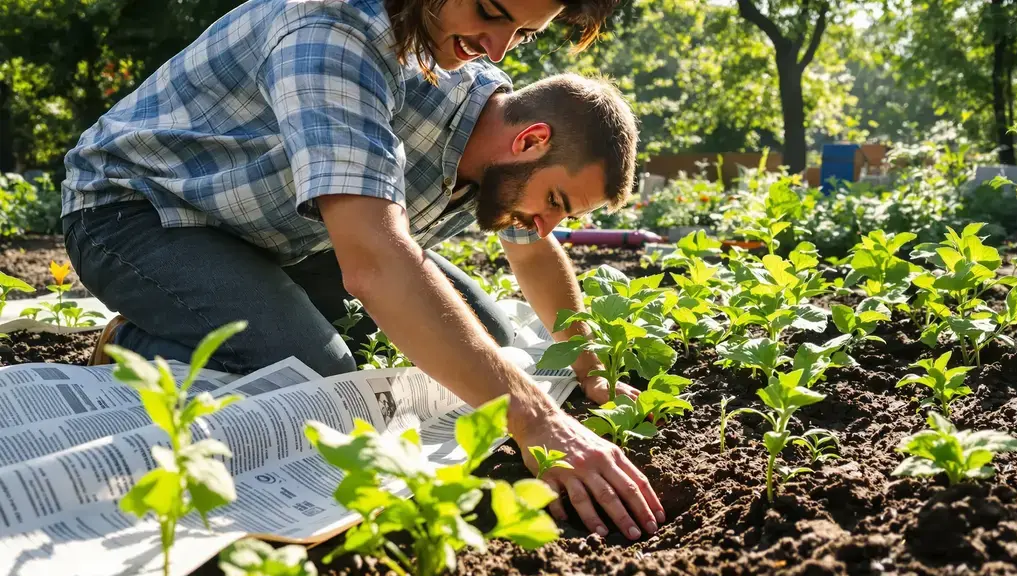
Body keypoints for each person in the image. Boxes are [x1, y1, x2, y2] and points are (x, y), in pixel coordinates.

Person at [59, 0, 665, 541]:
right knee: (314, 374)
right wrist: (540, 421)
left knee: (496, 351)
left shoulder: (488, 118)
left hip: (272, 234)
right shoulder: (334, 36)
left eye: (525, 34)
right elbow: (375, 262)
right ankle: (133, 343)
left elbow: (530, 252)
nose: (543, 226)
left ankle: (251, 305)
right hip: (140, 211)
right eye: (490, 11)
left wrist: (587, 366)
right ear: (531, 141)